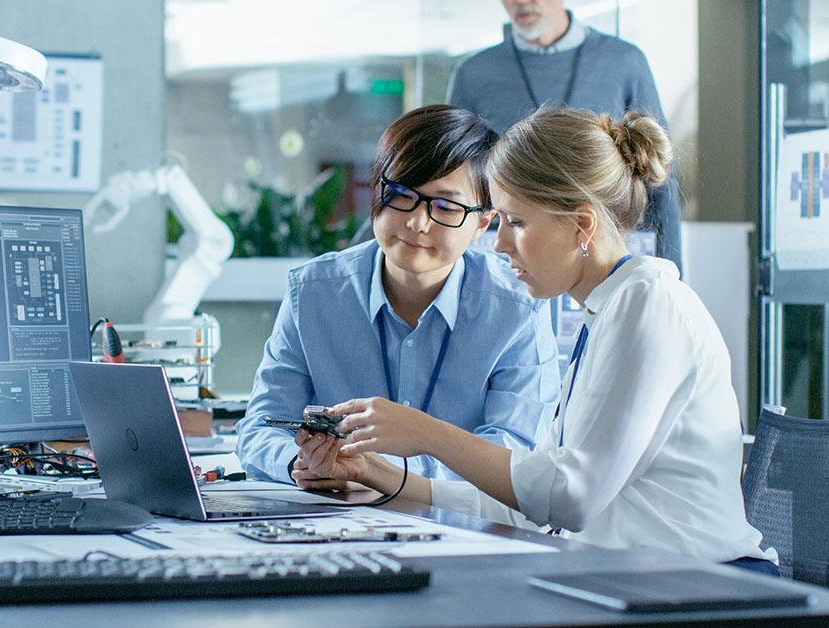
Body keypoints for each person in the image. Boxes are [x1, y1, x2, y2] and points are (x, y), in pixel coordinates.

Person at [293, 107, 777, 574]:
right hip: (633, 582)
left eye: (516, 223)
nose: (500, 244)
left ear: (582, 226)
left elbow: (569, 499)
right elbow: (535, 504)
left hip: (703, 588)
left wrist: (424, 432)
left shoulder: (650, 304)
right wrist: (384, 476)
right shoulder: (606, 311)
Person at [235, 104, 560, 486]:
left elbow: (515, 449)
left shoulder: (518, 307)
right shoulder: (312, 293)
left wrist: (381, 474)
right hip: (336, 522)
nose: (415, 222)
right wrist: (299, 463)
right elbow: (259, 426)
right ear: (377, 189)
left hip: (461, 529)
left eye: (445, 206)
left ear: (482, 223)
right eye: (402, 193)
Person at [448, 0, 682, 270]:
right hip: (507, 258)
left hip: (600, 255)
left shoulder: (624, 62)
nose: (521, 2)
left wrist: (670, 270)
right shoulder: (474, 73)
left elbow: (659, 176)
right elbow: (456, 179)